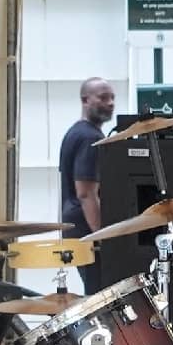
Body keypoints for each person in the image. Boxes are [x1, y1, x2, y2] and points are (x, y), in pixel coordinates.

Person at [59, 77, 116, 296]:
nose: (110, 102)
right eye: (103, 97)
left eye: (112, 98)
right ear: (85, 100)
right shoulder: (88, 137)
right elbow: (86, 193)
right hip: (86, 228)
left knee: (95, 290)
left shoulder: (77, 132)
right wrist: (102, 238)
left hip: (76, 227)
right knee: (100, 294)